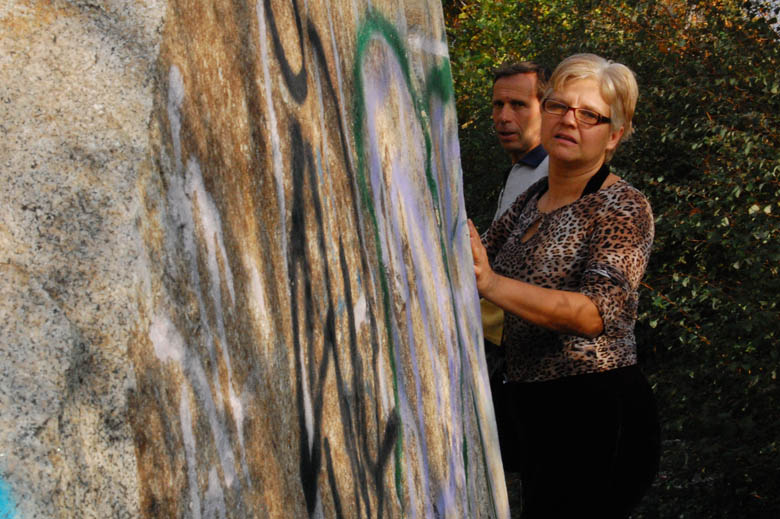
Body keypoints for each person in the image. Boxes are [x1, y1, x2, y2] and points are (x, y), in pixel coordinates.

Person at [469, 54, 660, 518]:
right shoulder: (533, 198)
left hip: (596, 411)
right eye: (559, 106)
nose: (569, 120)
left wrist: (491, 283)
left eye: (590, 115)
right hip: (534, 408)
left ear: (614, 135)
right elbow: (472, 261)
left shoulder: (623, 206)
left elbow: (594, 313)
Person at [482, 62, 550, 357]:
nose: (504, 117)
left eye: (519, 105)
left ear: (547, 110)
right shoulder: (521, 169)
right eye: (498, 105)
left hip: (527, 349)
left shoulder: (553, 173)